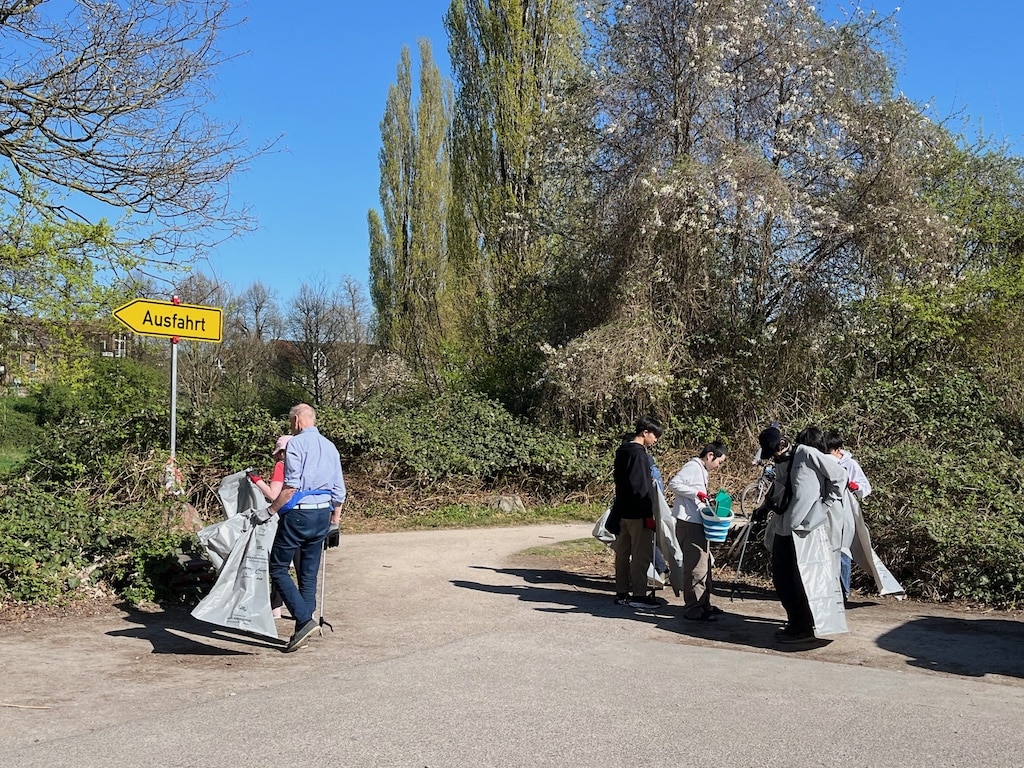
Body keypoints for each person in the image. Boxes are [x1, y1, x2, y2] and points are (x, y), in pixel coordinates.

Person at [266, 403, 347, 653]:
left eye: (291, 422)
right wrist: (334, 522)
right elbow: (340, 492)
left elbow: (290, 487)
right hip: (323, 515)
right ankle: (304, 626)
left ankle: (304, 619)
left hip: (299, 515)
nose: (291, 426)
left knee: (278, 567)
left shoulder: (296, 445)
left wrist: (269, 512)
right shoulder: (330, 447)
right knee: (308, 575)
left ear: (298, 421)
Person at [770, 425, 848, 644]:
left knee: (802, 580)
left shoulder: (806, 453)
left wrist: (824, 506)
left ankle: (804, 628)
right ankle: (795, 623)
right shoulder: (784, 462)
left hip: (806, 529)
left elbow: (839, 477)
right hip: (785, 526)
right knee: (782, 579)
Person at [668, 441, 729, 621]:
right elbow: (674, 484)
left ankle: (704, 604)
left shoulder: (702, 470)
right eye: (719, 462)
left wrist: (705, 498)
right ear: (710, 455)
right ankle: (693, 608)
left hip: (699, 522)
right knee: (696, 566)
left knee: (705, 564)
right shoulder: (693, 466)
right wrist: (697, 494)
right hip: (689, 523)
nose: (719, 466)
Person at [608, 417, 663, 608]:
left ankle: (621, 592)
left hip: (622, 510)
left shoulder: (622, 451)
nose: (655, 439)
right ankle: (639, 595)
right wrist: (649, 513)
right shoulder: (640, 454)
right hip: (638, 514)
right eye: (654, 435)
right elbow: (641, 486)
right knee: (641, 556)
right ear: (645, 432)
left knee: (622, 554)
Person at [246, 435, 293, 619]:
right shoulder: (307, 465)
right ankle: (306, 612)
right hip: (308, 516)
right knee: (300, 567)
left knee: (279, 565)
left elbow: (274, 495)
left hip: (283, 517)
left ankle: (275, 609)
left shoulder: (282, 466)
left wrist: (256, 480)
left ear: (282, 452)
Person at [825, 430, 868, 601]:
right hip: (827, 512)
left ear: (837, 449)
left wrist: (854, 486)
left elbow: (866, 488)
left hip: (845, 512)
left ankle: (843, 591)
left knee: (843, 550)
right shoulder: (823, 460)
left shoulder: (850, 464)